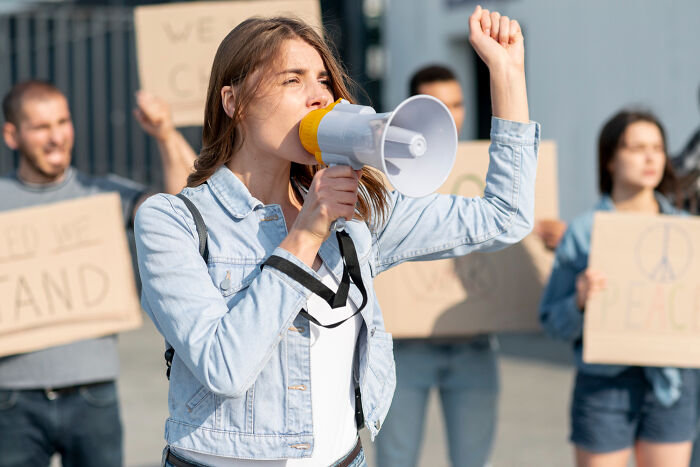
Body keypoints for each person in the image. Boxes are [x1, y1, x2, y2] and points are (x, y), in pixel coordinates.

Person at [134, 6, 537, 466]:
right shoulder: (174, 221)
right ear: (235, 101)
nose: (318, 96)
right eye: (293, 80)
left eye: (324, 80)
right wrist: (307, 231)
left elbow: (506, 216)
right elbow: (224, 368)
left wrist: (507, 75)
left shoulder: (356, 214)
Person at [0, 80, 189, 467]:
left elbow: (185, 209)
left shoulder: (104, 194)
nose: (56, 137)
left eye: (63, 122)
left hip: (93, 395)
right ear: (12, 135)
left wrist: (166, 134)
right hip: (10, 399)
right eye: (40, 127)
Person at [540, 109, 696, 467]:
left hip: (672, 384)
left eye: (657, 147)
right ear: (610, 159)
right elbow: (550, 321)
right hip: (604, 386)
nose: (650, 157)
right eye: (637, 147)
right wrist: (578, 302)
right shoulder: (583, 232)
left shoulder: (688, 232)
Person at [374, 64, 499, 467]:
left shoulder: (487, 170)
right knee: (396, 459)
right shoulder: (381, 174)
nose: (452, 114)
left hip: (474, 345)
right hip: (403, 347)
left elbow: (501, 231)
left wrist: (540, 234)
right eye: (439, 104)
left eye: (458, 103)